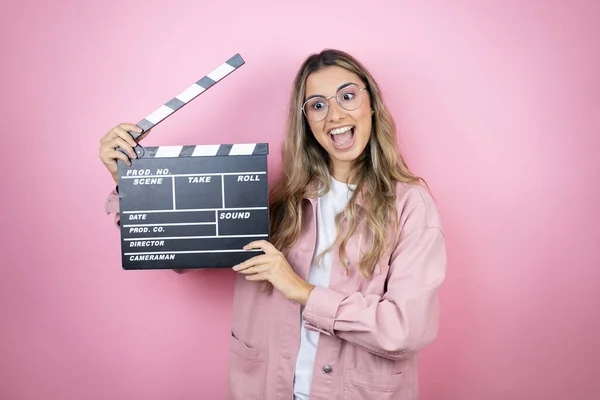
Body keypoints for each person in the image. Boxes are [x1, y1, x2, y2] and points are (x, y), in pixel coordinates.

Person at [100, 49, 447, 400]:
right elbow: (185, 249)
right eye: (317, 104)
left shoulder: (409, 204)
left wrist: (300, 289)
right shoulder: (279, 201)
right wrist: (129, 180)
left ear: (371, 103)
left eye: (347, 96)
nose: (335, 114)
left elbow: (406, 328)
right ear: (306, 120)